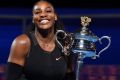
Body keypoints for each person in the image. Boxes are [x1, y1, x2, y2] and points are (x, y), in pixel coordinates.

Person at [6, 0, 75, 80]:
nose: (43, 14)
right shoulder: (22, 43)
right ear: (33, 19)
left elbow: (69, 74)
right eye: (37, 12)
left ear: (55, 16)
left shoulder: (65, 43)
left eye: (48, 11)